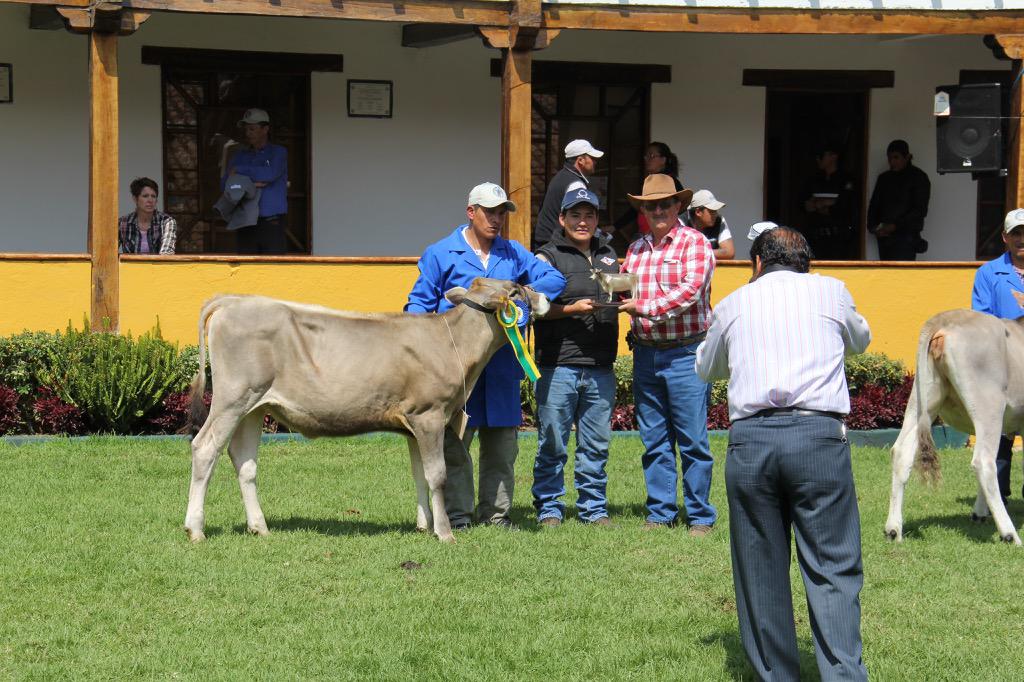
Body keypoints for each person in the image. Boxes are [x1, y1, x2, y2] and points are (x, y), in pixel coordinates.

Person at [695, 226, 871, 681]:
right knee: (832, 564)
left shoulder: (734, 303)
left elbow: (706, 367)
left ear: (756, 264)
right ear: (806, 262)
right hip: (818, 436)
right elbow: (860, 340)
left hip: (752, 441)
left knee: (760, 570)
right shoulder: (832, 291)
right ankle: (844, 676)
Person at [405, 182, 566, 529]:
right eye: (489, 211)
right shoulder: (440, 253)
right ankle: (458, 516)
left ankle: (496, 516)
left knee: (502, 445)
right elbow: (418, 304)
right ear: (470, 212)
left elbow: (553, 279)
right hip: (455, 371)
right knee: (454, 443)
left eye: (501, 213)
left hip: (503, 365)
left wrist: (524, 295)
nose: (495, 219)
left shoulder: (513, 253)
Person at [619, 174, 717, 536]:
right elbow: (623, 287)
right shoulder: (636, 249)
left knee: (692, 439)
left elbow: (690, 292)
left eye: (665, 204)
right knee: (655, 439)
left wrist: (644, 308)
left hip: (685, 353)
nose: (657, 210)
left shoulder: (696, 244)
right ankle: (660, 512)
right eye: (650, 205)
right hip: (645, 353)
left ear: (679, 206)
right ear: (642, 210)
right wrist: (610, 289)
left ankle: (700, 516)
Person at [531, 187, 619, 527]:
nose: (583, 222)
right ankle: (549, 507)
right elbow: (535, 308)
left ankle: (593, 508)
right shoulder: (547, 257)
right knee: (552, 441)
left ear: (597, 219)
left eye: (590, 215)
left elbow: (623, 291)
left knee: (596, 445)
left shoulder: (609, 255)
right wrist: (571, 309)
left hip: (600, 366)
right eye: (576, 215)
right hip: (559, 364)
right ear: (563, 218)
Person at [972, 208, 1024, 504]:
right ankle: (997, 496)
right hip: (1003, 363)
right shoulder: (988, 273)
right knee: (999, 433)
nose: (1021, 239)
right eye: (1016, 233)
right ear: (1004, 237)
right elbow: (982, 320)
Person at [225, 108, 289, 255]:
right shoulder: (239, 155)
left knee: (273, 269)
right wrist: (252, 183)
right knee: (246, 270)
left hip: (271, 220)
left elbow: (270, 174)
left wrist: (240, 173)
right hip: (245, 220)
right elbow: (226, 183)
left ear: (265, 129)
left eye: (252, 129)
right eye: (246, 129)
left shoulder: (278, 152)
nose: (248, 133)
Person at [533, 139, 604, 250]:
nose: (595, 162)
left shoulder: (561, 176)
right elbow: (577, 219)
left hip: (546, 241)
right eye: (592, 158)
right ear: (580, 160)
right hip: (555, 246)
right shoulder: (576, 184)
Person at [867, 139, 931, 261]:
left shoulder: (918, 177)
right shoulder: (884, 178)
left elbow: (920, 210)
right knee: (887, 276)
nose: (892, 162)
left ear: (907, 157)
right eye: (889, 158)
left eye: (896, 157)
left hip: (906, 237)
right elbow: (874, 205)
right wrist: (873, 227)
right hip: (884, 237)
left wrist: (895, 226)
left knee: (903, 277)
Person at [613, 141, 684, 249]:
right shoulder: (649, 183)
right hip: (646, 236)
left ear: (663, 160)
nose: (647, 159)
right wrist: (615, 226)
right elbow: (634, 210)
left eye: (651, 156)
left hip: (666, 238)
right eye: (646, 156)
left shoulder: (673, 184)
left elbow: (682, 214)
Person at [801, 144, 857, 260]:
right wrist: (829, 203)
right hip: (815, 238)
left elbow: (845, 206)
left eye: (822, 155)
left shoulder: (846, 179)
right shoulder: (813, 180)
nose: (818, 159)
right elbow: (804, 205)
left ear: (834, 156)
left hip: (840, 240)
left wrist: (821, 205)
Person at [118, 177, 177, 254]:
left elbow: (166, 255)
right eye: (145, 196)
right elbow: (109, 252)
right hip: (129, 266)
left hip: (158, 266)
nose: (150, 200)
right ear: (135, 199)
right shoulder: (122, 223)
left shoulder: (167, 222)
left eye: (153, 196)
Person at [686, 189, 735, 260]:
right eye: (712, 211)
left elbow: (729, 252)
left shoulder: (719, 220)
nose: (716, 214)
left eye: (716, 211)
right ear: (698, 212)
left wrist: (699, 252)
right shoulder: (680, 222)